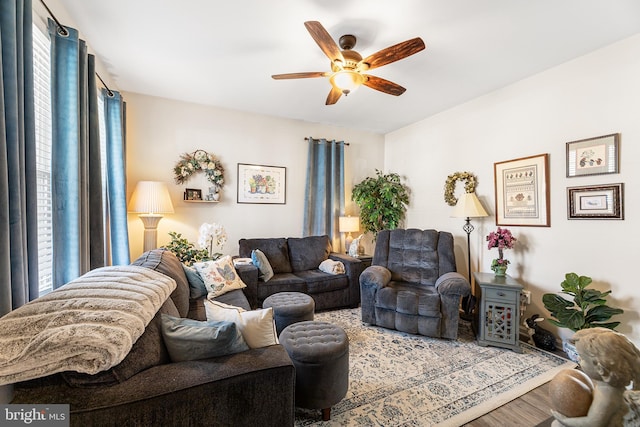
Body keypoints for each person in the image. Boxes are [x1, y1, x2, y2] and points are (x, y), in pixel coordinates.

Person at [551, 327, 640, 427]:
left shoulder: (606, 396)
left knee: (557, 425)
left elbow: (592, 423)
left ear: (601, 369)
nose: (578, 358)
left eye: (582, 357)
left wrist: (564, 420)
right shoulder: (611, 388)